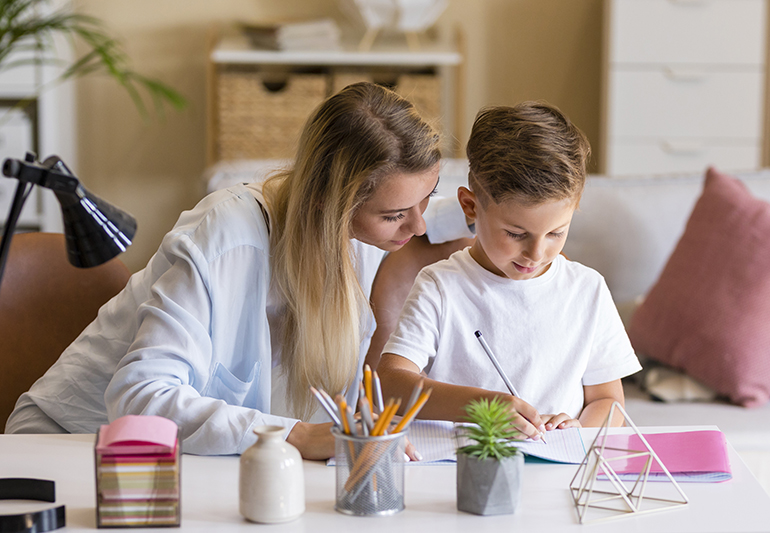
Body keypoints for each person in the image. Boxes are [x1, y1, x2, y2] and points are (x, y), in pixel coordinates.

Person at [5, 82, 472, 458]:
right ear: (327, 205)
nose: (418, 224)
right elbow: (141, 396)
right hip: (70, 444)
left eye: (426, 199)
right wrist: (299, 436)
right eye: (394, 215)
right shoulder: (229, 235)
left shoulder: (364, 229)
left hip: (194, 460)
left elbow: (461, 215)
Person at [377, 102, 642, 440]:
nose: (536, 253)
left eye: (556, 233)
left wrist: (578, 431)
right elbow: (391, 384)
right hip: (462, 471)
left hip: (555, 471)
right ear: (470, 207)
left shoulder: (587, 290)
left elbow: (608, 401)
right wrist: (482, 406)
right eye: (516, 234)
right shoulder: (440, 286)